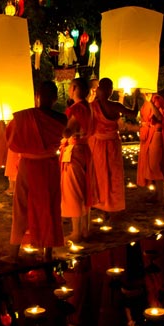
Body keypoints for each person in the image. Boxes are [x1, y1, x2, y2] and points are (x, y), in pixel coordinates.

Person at [2, 80, 67, 263]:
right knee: (50, 207)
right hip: (48, 166)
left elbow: (12, 143)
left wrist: (4, 126)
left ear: (37, 96)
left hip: (29, 165)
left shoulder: (25, 117)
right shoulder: (61, 119)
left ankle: (14, 253)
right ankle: (47, 252)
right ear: (55, 98)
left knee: (21, 207)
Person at [89, 77, 141, 221]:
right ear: (110, 90)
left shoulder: (92, 105)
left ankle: (101, 204)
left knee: (100, 174)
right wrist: (135, 97)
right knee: (112, 174)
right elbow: (133, 113)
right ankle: (110, 206)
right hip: (111, 144)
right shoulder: (115, 105)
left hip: (98, 144)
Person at [60, 77, 95, 242]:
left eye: (70, 87)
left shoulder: (77, 108)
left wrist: (58, 127)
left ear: (74, 88)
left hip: (75, 150)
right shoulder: (88, 107)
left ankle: (76, 232)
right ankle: (85, 229)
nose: (68, 89)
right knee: (84, 188)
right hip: (85, 149)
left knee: (74, 190)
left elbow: (68, 131)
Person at [136, 89, 164, 208]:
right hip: (149, 135)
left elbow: (160, 117)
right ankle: (158, 195)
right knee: (153, 167)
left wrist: (150, 102)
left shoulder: (156, 99)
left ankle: (162, 200)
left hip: (156, 135)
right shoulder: (144, 100)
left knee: (156, 167)